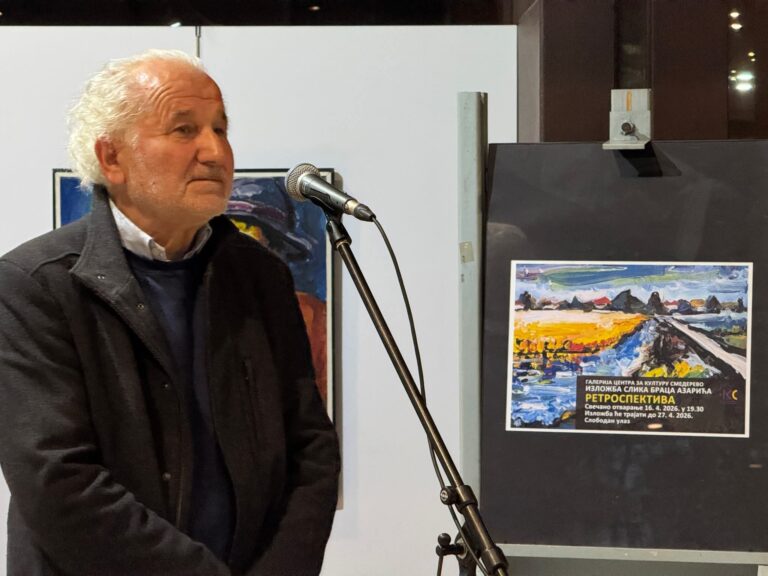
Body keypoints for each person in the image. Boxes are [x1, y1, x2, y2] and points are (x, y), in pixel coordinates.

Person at [0, 49, 340, 576]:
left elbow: (311, 449)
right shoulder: (34, 284)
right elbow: (58, 483)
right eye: (184, 130)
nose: (215, 151)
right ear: (111, 158)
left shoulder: (261, 276)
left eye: (221, 129)